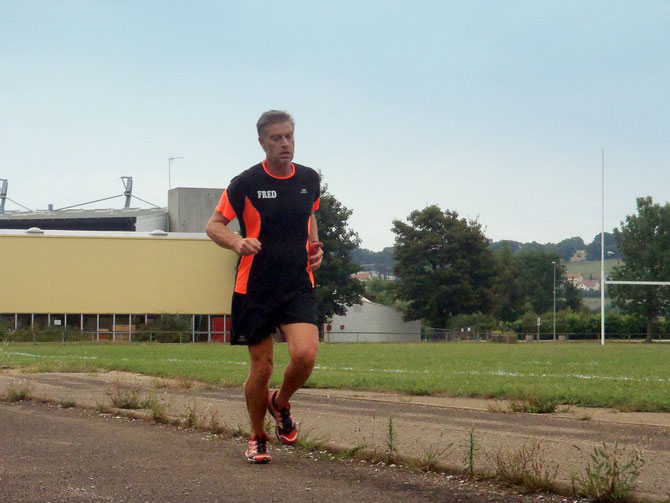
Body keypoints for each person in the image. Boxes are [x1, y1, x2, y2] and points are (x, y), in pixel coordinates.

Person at [206, 110, 323, 464]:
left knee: (305, 355)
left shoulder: (309, 178)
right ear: (262, 142)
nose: (284, 143)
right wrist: (237, 242)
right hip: (255, 287)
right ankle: (257, 436)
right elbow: (214, 226)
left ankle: (281, 402)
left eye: (289, 136)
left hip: (297, 283)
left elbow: (309, 214)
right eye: (276, 138)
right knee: (261, 368)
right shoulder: (245, 183)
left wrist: (315, 248)